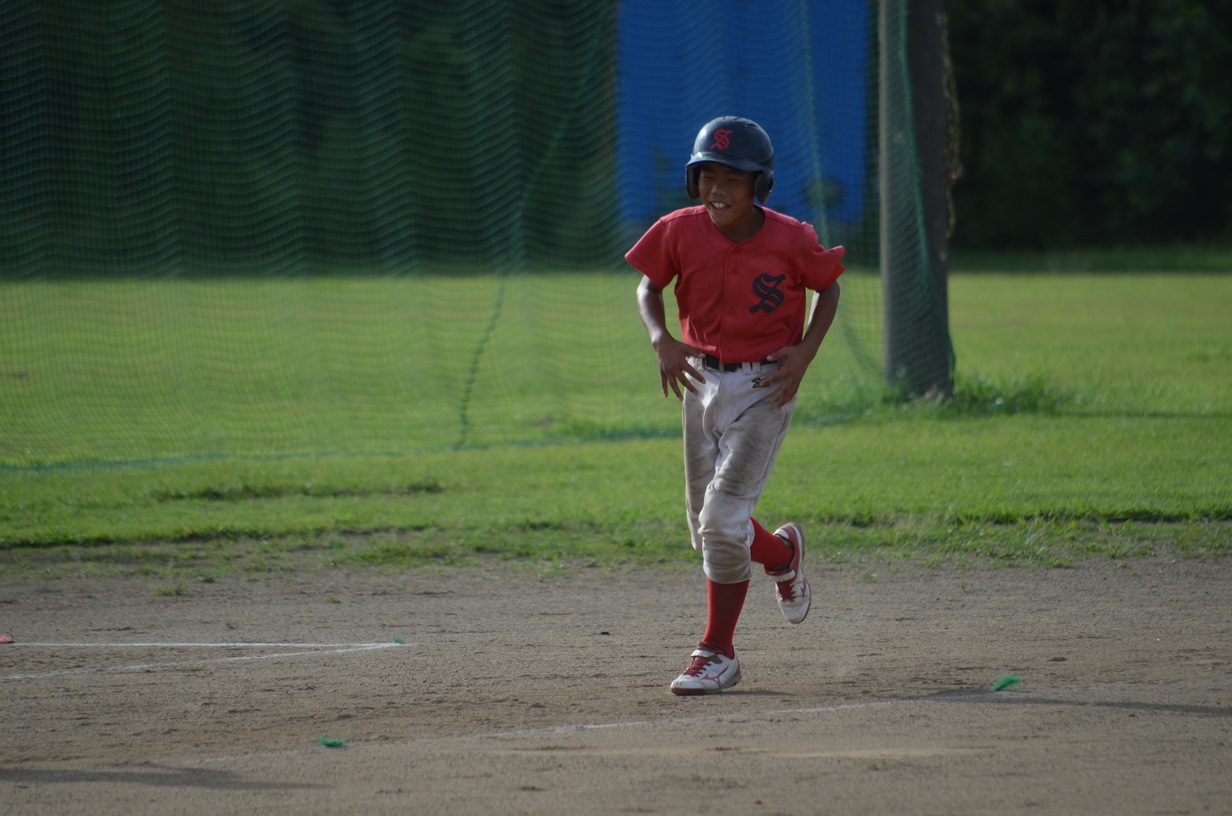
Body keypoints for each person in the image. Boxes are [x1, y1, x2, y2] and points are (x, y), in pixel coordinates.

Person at [625, 116, 845, 695]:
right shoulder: (679, 229)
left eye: (733, 178)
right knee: (711, 530)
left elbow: (830, 286)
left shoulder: (791, 238)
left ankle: (717, 652)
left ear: (760, 184)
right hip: (700, 384)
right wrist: (660, 338)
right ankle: (781, 555)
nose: (717, 189)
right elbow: (648, 284)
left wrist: (805, 355)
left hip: (767, 385)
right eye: (707, 176)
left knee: (722, 521)